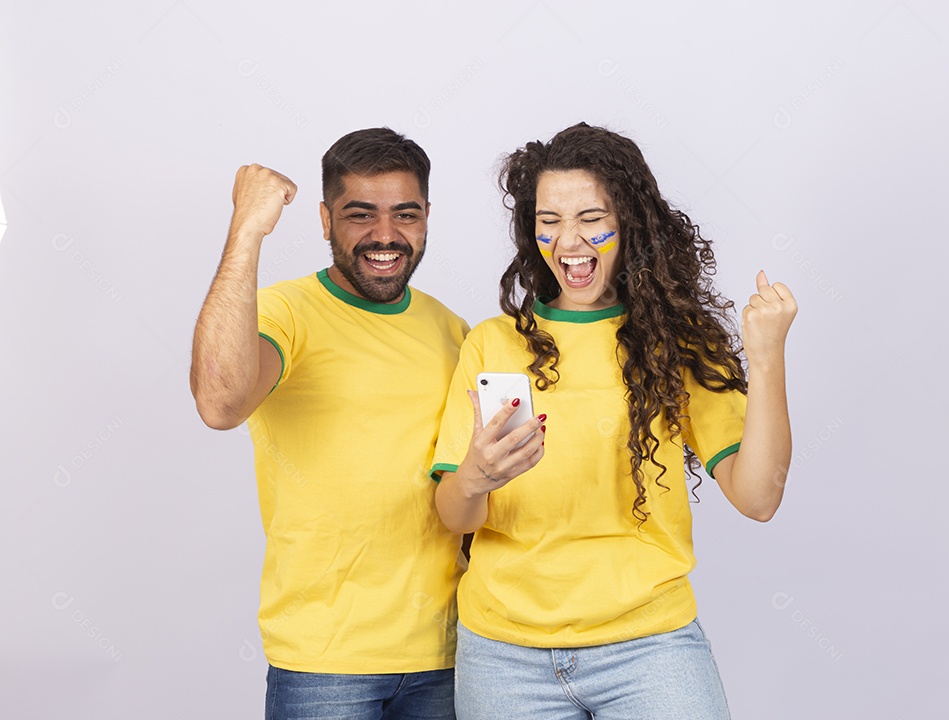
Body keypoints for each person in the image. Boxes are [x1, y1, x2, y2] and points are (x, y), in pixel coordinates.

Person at [431, 123, 797, 719]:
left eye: (590, 217)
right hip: (504, 656)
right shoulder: (493, 344)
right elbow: (454, 515)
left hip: (649, 645)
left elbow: (759, 497)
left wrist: (767, 357)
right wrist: (474, 477)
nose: (569, 241)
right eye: (548, 221)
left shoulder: (674, 342)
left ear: (630, 223)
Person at [190, 128, 467, 720]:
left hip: (450, 655)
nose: (385, 235)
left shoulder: (454, 331)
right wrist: (247, 229)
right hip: (324, 662)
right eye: (359, 214)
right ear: (324, 220)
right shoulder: (285, 313)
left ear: (426, 219)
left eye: (405, 214)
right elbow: (219, 402)